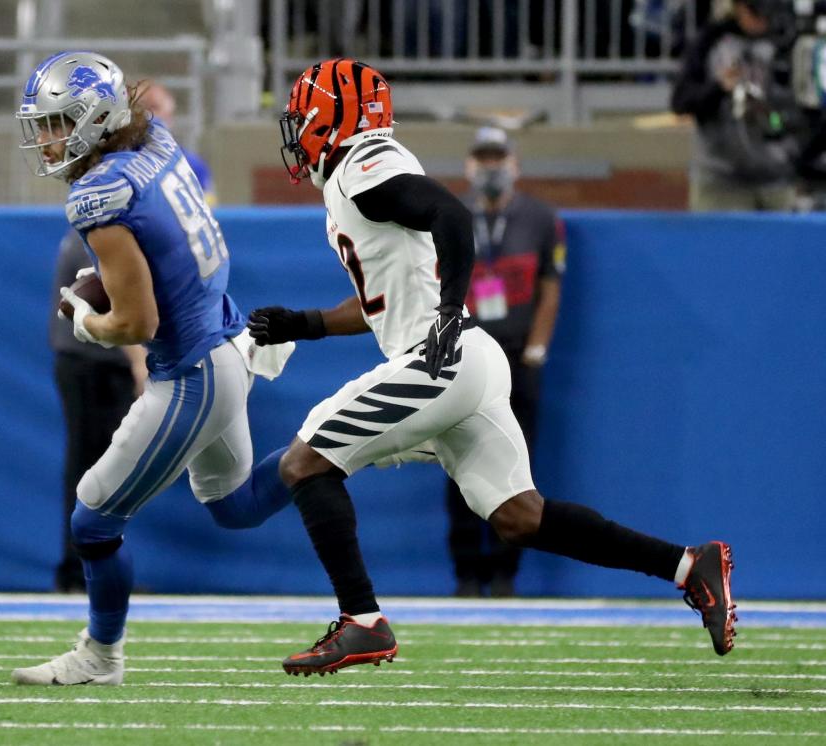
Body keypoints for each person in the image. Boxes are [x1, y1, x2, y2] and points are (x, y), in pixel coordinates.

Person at [247, 57, 737, 677]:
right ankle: (691, 567)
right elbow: (388, 299)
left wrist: (450, 312)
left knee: (305, 459)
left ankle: (362, 622)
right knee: (518, 515)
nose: (296, 132)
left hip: (443, 357)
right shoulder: (356, 179)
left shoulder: (362, 164)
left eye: (304, 118)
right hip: (463, 358)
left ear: (334, 118)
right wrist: (305, 324)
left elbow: (449, 215)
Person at [10, 51, 294, 686]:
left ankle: (100, 655)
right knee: (235, 505)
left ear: (95, 119)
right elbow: (160, 255)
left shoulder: (98, 195)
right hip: (227, 339)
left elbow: (135, 325)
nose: (48, 140)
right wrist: (109, 279)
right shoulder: (157, 142)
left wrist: (85, 321)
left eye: (58, 123)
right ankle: (341, 445)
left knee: (91, 519)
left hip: (191, 368)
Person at [46, 79, 207, 594]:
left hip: (130, 345)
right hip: (96, 351)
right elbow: (132, 315)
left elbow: (137, 310)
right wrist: (128, 352)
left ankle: (89, 572)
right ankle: (80, 572)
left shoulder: (125, 185)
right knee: (94, 473)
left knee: (110, 476)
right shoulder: (111, 195)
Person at [445, 126, 565, 598]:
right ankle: (466, 572)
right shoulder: (451, 214)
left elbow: (550, 287)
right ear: (470, 162)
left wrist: (536, 348)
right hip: (465, 353)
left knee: (515, 464)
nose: (491, 166)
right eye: (483, 156)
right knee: (457, 460)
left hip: (516, 353)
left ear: (513, 162)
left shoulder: (540, 218)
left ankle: (504, 572)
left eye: (498, 156)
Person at [49, 234, 148, 593]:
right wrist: (140, 362)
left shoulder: (90, 229)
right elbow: (120, 298)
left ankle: (95, 568)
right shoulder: (100, 231)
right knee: (93, 471)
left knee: (102, 472)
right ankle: (81, 570)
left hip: (93, 360)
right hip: (94, 362)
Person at [670, 0, 798, 211]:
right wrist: (719, 87)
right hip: (722, 181)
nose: (763, 21)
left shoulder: (785, 43)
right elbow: (681, 102)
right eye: (756, 11)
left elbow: (796, 113)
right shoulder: (711, 41)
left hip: (776, 178)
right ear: (739, 8)